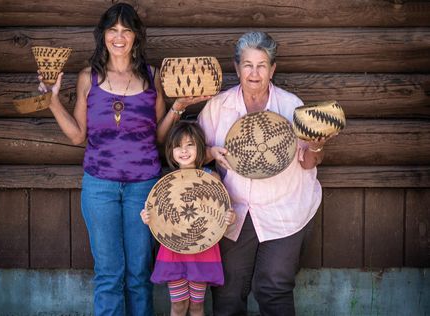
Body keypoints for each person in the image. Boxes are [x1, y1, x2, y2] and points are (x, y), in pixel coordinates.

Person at [38, 3, 209, 315]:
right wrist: (51, 101)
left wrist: (179, 107)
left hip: (143, 188)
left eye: (125, 30)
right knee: (108, 274)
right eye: (112, 30)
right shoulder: (89, 78)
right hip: (99, 186)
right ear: (103, 35)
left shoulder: (151, 77)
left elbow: (159, 137)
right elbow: (78, 136)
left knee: (138, 275)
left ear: (136, 37)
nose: (118, 37)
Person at [197, 31, 334, 315]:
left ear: (272, 69)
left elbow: (308, 162)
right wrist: (210, 153)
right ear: (237, 68)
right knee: (228, 290)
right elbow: (193, 150)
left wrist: (317, 148)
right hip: (234, 211)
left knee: (274, 287)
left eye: (262, 65)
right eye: (247, 65)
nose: (254, 73)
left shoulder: (290, 106)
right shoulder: (218, 108)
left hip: (285, 207)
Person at [140, 122, 236, 316]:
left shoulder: (212, 178)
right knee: (178, 304)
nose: (184, 151)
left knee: (197, 306)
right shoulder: (166, 184)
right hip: (173, 249)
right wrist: (147, 217)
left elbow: (220, 218)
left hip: (203, 249)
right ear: (171, 151)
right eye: (178, 146)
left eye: (190, 144)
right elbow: (158, 217)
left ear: (200, 147)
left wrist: (229, 218)